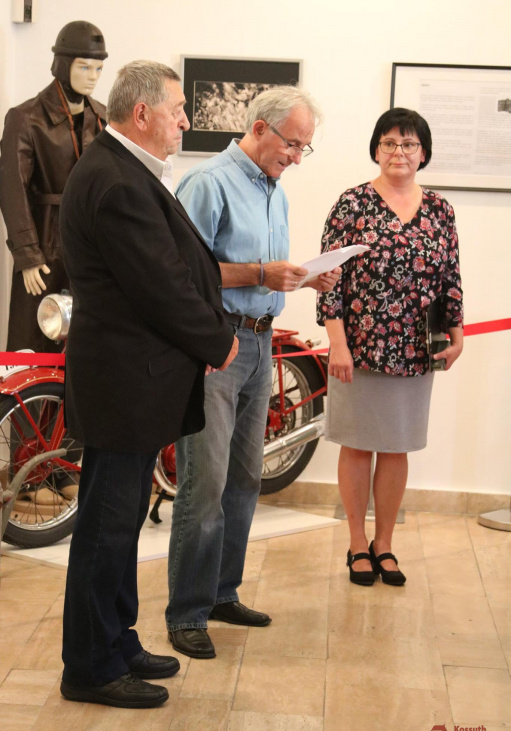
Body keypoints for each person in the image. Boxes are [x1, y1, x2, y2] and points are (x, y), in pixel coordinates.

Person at [59, 60, 238, 708]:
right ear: (141, 114)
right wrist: (216, 339)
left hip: (130, 384)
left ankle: (117, 641)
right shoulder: (116, 180)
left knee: (121, 523)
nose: (185, 121)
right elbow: (160, 286)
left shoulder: (123, 169)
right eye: (177, 109)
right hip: (122, 387)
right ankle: (91, 667)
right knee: (106, 530)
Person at [166, 86, 340, 659]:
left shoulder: (274, 191)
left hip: (262, 345)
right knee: (205, 482)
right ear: (260, 128)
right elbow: (183, 273)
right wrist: (263, 274)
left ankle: (222, 593)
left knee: (244, 479)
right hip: (217, 344)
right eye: (293, 144)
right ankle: (187, 612)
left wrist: (304, 279)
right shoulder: (208, 182)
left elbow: (265, 273)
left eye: (305, 147)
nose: (297, 157)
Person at [317, 107, 464, 587]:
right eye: (389, 143)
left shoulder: (440, 210)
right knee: (358, 445)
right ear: (376, 149)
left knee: (397, 447)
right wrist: (337, 344)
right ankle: (357, 542)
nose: (399, 152)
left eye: (409, 144)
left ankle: (385, 544)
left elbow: (450, 278)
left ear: (423, 153)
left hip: (417, 349)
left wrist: (457, 334)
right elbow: (329, 280)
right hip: (359, 348)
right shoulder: (352, 204)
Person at [0, 20, 108, 353]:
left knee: (89, 347)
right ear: (63, 64)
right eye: (84, 66)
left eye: (98, 68)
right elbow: (12, 189)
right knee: (34, 343)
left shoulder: (103, 118)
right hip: (45, 246)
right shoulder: (25, 118)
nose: (93, 76)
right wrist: (28, 255)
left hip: (93, 250)